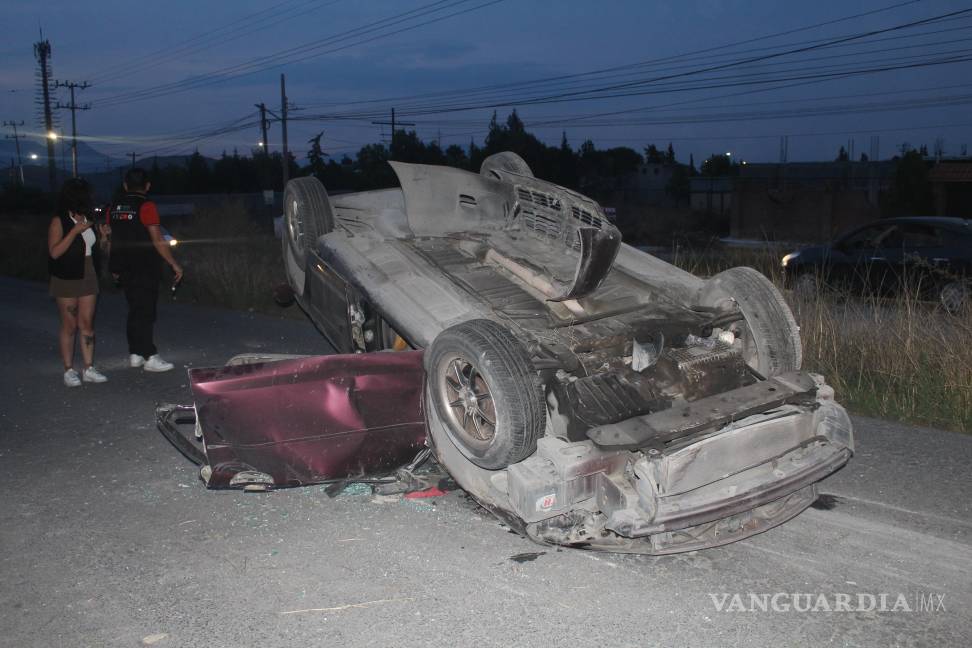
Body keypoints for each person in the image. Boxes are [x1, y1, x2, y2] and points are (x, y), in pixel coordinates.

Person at [106, 168, 183, 372]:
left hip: (123, 265)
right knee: (146, 311)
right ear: (147, 186)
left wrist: (113, 265)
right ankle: (150, 355)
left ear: (125, 185)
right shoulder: (146, 206)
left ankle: (136, 353)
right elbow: (157, 239)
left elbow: (110, 238)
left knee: (135, 309)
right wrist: (173, 263)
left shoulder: (113, 207)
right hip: (145, 265)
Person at [48, 178, 109, 387]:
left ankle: (89, 367)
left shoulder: (89, 218)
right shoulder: (60, 220)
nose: (90, 199)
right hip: (65, 275)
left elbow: (97, 249)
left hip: (88, 272)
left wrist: (103, 238)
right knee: (69, 325)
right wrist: (75, 231)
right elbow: (55, 252)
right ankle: (68, 369)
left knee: (87, 324)